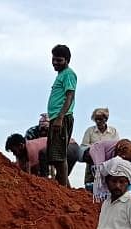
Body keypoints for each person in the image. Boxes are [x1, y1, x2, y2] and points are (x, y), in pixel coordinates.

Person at [47, 44, 77, 187]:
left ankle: (63, 190)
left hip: (62, 118)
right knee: (56, 156)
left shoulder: (68, 74)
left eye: (59, 60)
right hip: (56, 118)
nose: (55, 63)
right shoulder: (61, 75)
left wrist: (60, 118)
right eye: (54, 59)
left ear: (67, 60)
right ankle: (64, 188)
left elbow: (70, 96)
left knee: (60, 157)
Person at [81, 108, 118, 185]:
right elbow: (84, 146)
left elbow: (116, 146)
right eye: (96, 119)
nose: (98, 121)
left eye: (100, 119)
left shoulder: (113, 131)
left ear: (106, 119)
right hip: (92, 161)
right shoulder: (90, 131)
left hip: (108, 163)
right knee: (90, 185)